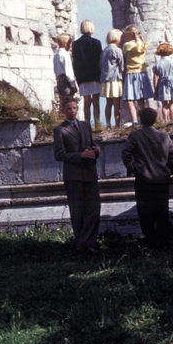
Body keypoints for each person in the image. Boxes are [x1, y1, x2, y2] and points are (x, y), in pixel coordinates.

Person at [122, 107, 173, 247]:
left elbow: (126, 154)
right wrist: (167, 171)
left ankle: (150, 241)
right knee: (162, 211)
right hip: (161, 179)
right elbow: (172, 156)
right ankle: (163, 241)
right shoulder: (164, 136)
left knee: (145, 213)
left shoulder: (135, 136)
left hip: (143, 180)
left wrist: (134, 169)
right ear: (155, 119)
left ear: (140, 119)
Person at [52, 98, 100, 252]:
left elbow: (90, 145)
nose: (72, 111)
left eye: (74, 108)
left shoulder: (85, 125)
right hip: (73, 176)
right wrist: (80, 155)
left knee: (93, 208)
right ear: (63, 111)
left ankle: (88, 243)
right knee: (77, 211)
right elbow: (59, 155)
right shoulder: (60, 130)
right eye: (68, 109)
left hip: (90, 173)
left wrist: (95, 151)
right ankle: (82, 244)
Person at [72, 20, 104, 128]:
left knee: (86, 101)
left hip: (83, 76)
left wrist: (77, 76)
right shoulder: (96, 42)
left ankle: (87, 124)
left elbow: (75, 61)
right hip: (94, 74)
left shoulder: (75, 44)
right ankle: (97, 123)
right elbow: (100, 60)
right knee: (96, 101)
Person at [121, 24, 153, 126]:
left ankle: (134, 120)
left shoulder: (127, 45)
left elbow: (124, 57)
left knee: (130, 100)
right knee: (141, 99)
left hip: (130, 74)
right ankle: (144, 120)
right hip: (142, 73)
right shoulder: (142, 44)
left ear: (130, 34)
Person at [99, 29, 125, 128]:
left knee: (108, 103)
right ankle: (117, 124)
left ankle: (108, 124)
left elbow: (100, 65)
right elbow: (121, 66)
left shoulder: (104, 50)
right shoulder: (117, 50)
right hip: (115, 79)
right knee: (116, 103)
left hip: (105, 79)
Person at [151, 43, 173, 124]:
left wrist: (155, 89)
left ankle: (165, 121)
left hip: (162, 83)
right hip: (172, 83)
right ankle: (172, 121)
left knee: (164, 104)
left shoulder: (157, 64)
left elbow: (155, 78)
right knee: (172, 104)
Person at [52, 34, 78, 103]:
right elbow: (68, 71)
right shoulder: (65, 54)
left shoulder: (56, 55)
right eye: (69, 43)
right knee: (68, 100)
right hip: (66, 81)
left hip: (59, 80)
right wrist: (73, 85)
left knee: (62, 101)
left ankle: (61, 113)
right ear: (65, 44)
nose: (70, 45)